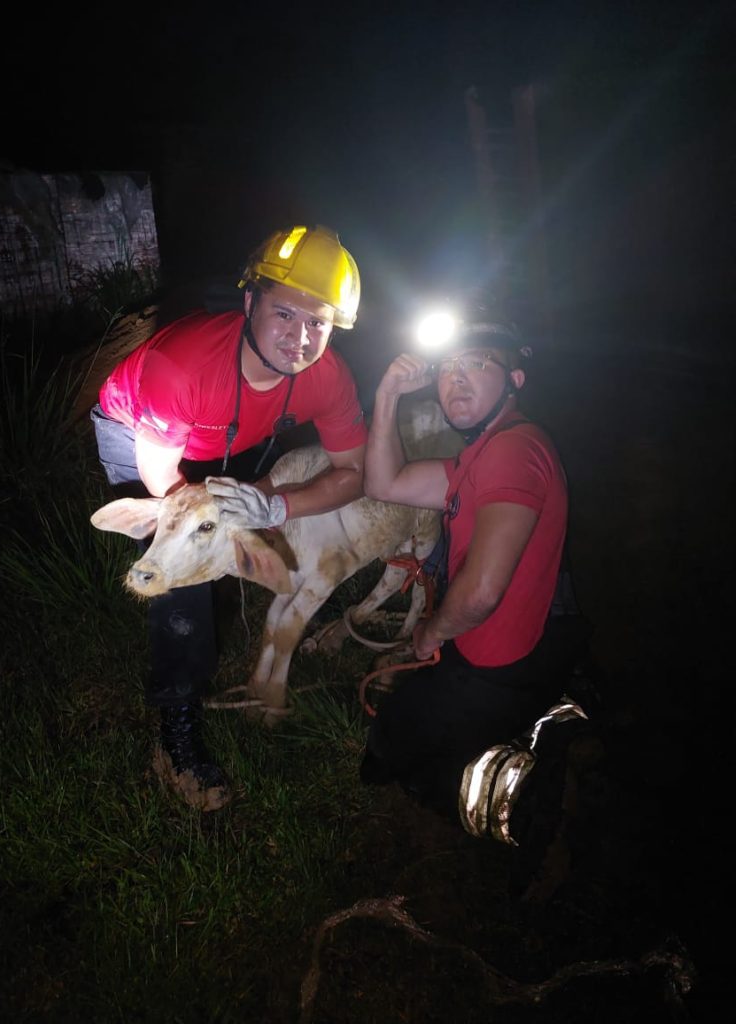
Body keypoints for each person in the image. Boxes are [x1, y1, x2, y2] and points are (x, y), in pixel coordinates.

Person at [90, 225, 367, 811]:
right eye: (285, 314)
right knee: (182, 571)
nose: (300, 338)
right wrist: (219, 532)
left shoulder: (329, 377)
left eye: (318, 323)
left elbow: (353, 474)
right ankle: (177, 729)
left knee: (235, 523)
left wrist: (275, 504)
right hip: (137, 429)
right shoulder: (184, 364)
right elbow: (173, 488)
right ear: (250, 302)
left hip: (224, 430)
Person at [360, 306, 582, 845]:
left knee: (390, 754)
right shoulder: (476, 459)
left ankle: (530, 775)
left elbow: (481, 591)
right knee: (401, 724)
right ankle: (535, 715)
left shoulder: (512, 451)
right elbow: (383, 482)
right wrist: (387, 394)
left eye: (477, 362)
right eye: (447, 366)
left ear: (514, 380)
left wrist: (428, 633)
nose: (455, 377)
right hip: (502, 648)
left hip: (500, 663)